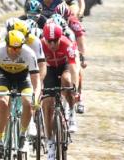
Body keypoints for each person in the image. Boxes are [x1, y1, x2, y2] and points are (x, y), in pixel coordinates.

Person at [0, 30, 41, 158]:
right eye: (12, 48)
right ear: (6, 45)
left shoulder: (29, 53)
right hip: (4, 76)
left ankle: (23, 136)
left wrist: (36, 98)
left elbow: (36, 81)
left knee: (28, 102)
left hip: (23, 77)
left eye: (18, 48)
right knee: (2, 102)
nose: (16, 51)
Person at [39, 22, 78, 159]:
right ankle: (50, 142)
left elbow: (73, 67)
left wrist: (75, 88)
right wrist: (39, 88)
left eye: (55, 40)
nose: (52, 44)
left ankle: (72, 112)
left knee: (66, 81)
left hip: (64, 66)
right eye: (49, 41)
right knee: (47, 105)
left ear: (60, 37)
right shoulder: (40, 45)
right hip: (48, 68)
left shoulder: (67, 44)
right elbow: (38, 69)